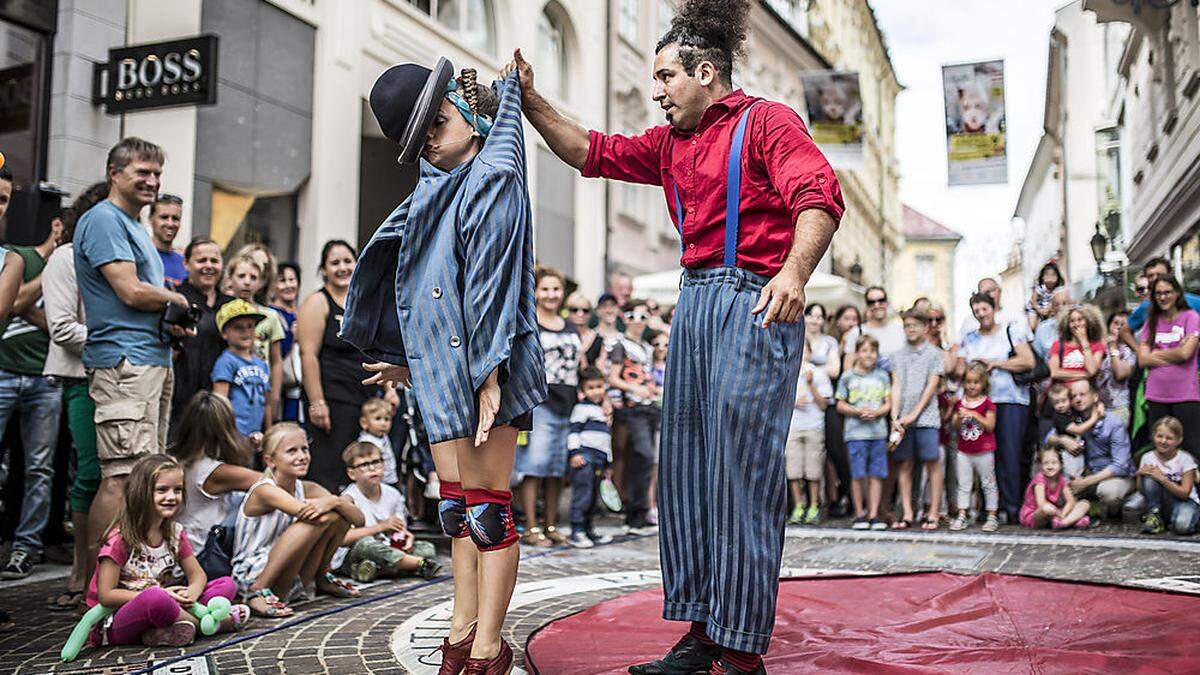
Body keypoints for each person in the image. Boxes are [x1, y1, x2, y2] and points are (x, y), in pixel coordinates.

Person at [506, 0, 846, 664]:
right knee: (688, 471)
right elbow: (591, 152)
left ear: (707, 72)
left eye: (666, 77)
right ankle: (700, 630)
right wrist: (531, 103)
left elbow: (819, 195)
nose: (656, 92)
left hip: (755, 300)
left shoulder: (768, 122)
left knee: (740, 474)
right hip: (693, 304)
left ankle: (741, 648)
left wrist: (794, 273)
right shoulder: (669, 144)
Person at [341, 63, 546, 673]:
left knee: (487, 507)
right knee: (457, 508)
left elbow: (490, 286)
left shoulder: (493, 176)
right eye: (418, 134)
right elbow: (429, 285)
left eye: (437, 120)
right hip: (444, 369)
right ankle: (461, 631)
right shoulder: (436, 188)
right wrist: (412, 362)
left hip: (494, 361)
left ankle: (488, 646)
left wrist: (488, 373)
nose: (430, 137)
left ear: (463, 104)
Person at [74, 138, 192, 587]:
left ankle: (132, 582)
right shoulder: (103, 220)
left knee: (144, 474)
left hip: (150, 357)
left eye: (157, 173)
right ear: (115, 172)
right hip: (124, 363)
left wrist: (172, 321)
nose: (152, 180)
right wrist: (175, 297)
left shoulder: (131, 225)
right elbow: (129, 290)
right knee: (121, 476)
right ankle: (97, 588)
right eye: (142, 171)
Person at [86, 454, 247, 648]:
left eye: (177, 490)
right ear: (141, 493)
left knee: (226, 584)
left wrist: (191, 593)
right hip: (119, 622)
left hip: (167, 604)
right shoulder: (120, 539)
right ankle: (215, 624)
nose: (171, 497)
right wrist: (165, 595)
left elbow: (197, 575)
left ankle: (165, 632)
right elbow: (106, 595)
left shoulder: (174, 533)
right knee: (156, 598)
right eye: (162, 490)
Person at [41, 182, 112, 606]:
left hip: (117, 373)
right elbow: (63, 329)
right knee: (90, 474)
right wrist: (122, 337)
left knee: (115, 475)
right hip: (81, 377)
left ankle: (110, 570)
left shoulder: (111, 258)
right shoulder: (66, 258)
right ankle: (80, 573)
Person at [232, 423, 364, 618]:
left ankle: (322, 576)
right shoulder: (265, 490)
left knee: (337, 517)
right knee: (323, 517)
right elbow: (309, 513)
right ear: (270, 460)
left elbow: (358, 520)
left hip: (290, 571)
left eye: (304, 449)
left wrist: (335, 500)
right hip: (252, 571)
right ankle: (257, 590)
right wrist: (338, 502)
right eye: (291, 451)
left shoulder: (307, 488)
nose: (302, 457)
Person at [0, 209, 64, 581]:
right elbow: (12, 303)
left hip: (46, 378)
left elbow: (57, 320)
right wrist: (46, 272)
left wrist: (28, 306)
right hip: (5, 372)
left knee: (40, 467)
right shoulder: (16, 257)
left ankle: (26, 547)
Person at [297, 240, 379, 491]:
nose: (342, 268)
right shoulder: (317, 302)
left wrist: (387, 391)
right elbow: (307, 355)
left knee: (362, 469)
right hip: (331, 401)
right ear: (323, 269)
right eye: (334, 263)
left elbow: (377, 350)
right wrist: (317, 401)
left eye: (347, 261)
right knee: (329, 470)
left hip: (364, 401)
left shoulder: (364, 300)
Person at [516, 266, 580, 547]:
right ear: (536, 292)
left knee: (557, 468)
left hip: (568, 402)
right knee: (535, 465)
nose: (551, 294)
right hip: (540, 401)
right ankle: (531, 527)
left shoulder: (570, 326)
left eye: (556, 289)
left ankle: (551, 524)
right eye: (545, 289)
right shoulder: (530, 322)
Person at [957, 292, 1034, 524]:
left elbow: (1028, 361)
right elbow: (961, 367)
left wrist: (996, 364)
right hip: (979, 402)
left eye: (984, 309)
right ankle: (986, 508)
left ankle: (1011, 507)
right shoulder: (970, 338)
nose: (981, 314)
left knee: (1009, 455)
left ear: (993, 308)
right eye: (976, 311)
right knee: (981, 454)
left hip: (1010, 400)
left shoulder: (1011, 330)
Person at [332, 441, 441, 582]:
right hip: (356, 551)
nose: (372, 468)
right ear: (352, 473)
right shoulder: (348, 498)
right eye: (364, 465)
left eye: (376, 462)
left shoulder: (393, 494)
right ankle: (418, 564)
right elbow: (343, 539)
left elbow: (400, 530)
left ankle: (373, 569)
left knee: (427, 548)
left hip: (388, 547)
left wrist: (408, 538)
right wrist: (381, 527)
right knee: (366, 544)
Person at [168, 391, 259, 553]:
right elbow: (271, 482)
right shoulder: (213, 472)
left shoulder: (174, 457)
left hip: (180, 547)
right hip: (201, 554)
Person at [607, 299, 661, 535]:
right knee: (642, 456)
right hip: (632, 409)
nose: (637, 321)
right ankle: (634, 513)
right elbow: (613, 377)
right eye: (632, 316)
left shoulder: (648, 347)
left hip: (649, 407)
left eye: (643, 316)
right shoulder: (621, 345)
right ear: (624, 317)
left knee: (644, 459)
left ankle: (638, 513)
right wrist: (634, 389)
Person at [889, 309, 944, 530]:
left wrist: (914, 414)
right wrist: (895, 416)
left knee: (932, 463)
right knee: (905, 464)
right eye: (907, 326)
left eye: (914, 325)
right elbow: (896, 385)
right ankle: (908, 513)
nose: (910, 330)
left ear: (925, 327)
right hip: (902, 418)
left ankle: (933, 512)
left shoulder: (935, 354)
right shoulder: (897, 355)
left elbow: (931, 387)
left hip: (927, 417)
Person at [1046, 380, 1133, 518]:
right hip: (1084, 472)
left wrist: (1085, 482)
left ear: (1095, 397)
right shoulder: (1073, 417)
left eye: (1082, 394)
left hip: (1111, 476)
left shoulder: (1113, 422)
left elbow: (1120, 465)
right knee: (1058, 495)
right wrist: (1063, 439)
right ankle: (1086, 507)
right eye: (1074, 396)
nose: (1078, 399)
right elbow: (1048, 438)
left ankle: (1113, 511)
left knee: (1110, 493)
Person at [171, 237, 232, 433]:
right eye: (201, 260)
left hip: (221, 401)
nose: (209, 266)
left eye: (214, 261)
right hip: (181, 401)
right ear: (186, 264)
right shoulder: (176, 298)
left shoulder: (231, 305)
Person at [1137, 274, 1200, 456]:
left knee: (1192, 449)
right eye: (1158, 293)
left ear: (1177, 293)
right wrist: (1175, 353)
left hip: (1186, 395)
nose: (1163, 297)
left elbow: (1186, 353)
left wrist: (1155, 353)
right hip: (1157, 395)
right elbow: (1142, 360)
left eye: (1167, 292)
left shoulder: (1191, 317)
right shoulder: (1152, 320)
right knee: (1161, 450)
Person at [836, 336, 891, 531]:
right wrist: (857, 411)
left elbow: (888, 403)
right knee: (858, 474)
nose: (869, 355)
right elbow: (840, 403)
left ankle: (873, 513)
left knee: (876, 474)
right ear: (857, 353)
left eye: (873, 351)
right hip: (855, 434)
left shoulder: (882, 376)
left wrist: (877, 412)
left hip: (877, 433)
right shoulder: (848, 377)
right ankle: (859, 513)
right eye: (865, 350)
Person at [224, 255, 285, 431]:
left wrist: (274, 396)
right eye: (241, 276)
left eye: (253, 278)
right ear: (230, 279)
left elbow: (276, 360)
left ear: (261, 282)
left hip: (260, 386)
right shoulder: (223, 313)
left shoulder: (270, 317)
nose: (247, 282)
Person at [566, 367, 614, 549]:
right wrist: (575, 453)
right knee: (582, 495)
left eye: (599, 386)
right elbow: (573, 432)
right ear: (582, 391)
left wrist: (609, 462)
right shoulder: (581, 408)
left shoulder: (603, 411)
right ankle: (576, 531)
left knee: (593, 496)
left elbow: (606, 440)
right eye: (591, 388)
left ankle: (588, 529)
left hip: (600, 460)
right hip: (584, 458)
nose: (596, 391)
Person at [786, 336, 832, 525]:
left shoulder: (819, 374)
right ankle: (798, 506)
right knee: (793, 470)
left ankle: (813, 505)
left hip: (813, 426)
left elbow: (824, 405)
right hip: (793, 426)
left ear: (810, 353)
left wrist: (811, 384)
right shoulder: (786, 372)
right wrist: (793, 402)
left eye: (805, 350)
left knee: (813, 469)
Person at [211, 300, 271, 442]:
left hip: (256, 437)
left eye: (250, 326)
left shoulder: (262, 364)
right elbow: (220, 404)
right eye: (238, 328)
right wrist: (227, 435)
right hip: (233, 436)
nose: (246, 332)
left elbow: (267, 403)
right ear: (224, 333)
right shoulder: (226, 362)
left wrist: (268, 435)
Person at [949, 362, 999, 532]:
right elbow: (954, 426)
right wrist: (958, 416)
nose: (972, 386)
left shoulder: (988, 404)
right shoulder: (960, 403)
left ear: (983, 384)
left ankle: (992, 515)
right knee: (964, 483)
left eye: (976, 382)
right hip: (964, 450)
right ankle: (963, 513)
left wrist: (974, 415)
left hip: (984, 450)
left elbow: (990, 426)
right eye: (968, 382)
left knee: (988, 483)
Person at [1137, 416, 1200, 535]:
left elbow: (1185, 493)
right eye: (1159, 436)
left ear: (1179, 440)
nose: (1163, 441)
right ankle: (1154, 515)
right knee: (1150, 478)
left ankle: (1187, 518)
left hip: (1185, 501)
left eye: (1169, 438)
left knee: (1182, 527)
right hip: (1161, 501)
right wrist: (1139, 476)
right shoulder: (1147, 457)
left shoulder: (1185, 459)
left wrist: (1162, 478)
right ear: (1153, 436)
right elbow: (1142, 490)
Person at [1019, 447, 1091, 530]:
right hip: (1036, 513)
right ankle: (1073, 520)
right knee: (1046, 509)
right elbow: (1041, 503)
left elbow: (1070, 501)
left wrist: (1063, 514)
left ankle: (1063, 522)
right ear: (1041, 466)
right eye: (1046, 463)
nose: (1050, 466)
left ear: (1061, 465)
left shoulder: (1061, 479)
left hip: (1056, 512)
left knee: (1084, 504)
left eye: (1054, 463)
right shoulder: (1040, 478)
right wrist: (1058, 513)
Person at [1125, 257, 1200, 335]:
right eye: (1150, 276)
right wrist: (1139, 347)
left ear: (1170, 273)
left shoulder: (1196, 302)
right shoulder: (1146, 306)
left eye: (1160, 274)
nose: (1155, 278)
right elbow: (1125, 331)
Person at [271, 262, 302, 421]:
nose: (288, 285)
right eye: (282, 280)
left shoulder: (304, 311)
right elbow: (274, 354)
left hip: (302, 390)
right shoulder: (271, 313)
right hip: (282, 389)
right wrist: (292, 337)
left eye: (292, 279)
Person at [1047, 303, 1105, 384]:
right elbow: (1054, 372)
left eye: (1080, 320)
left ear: (1088, 322)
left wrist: (1084, 341)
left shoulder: (1097, 346)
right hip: (1063, 393)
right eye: (1072, 321)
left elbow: (1092, 370)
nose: (1076, 324)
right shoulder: (1058, 345)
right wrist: (1085, 375)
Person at [851, 286, 905, 371]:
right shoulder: (856, 332)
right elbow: (848, 368)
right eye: (871, 302)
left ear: (887, 302)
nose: (877, 305)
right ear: (867, 306)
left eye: (881, 300)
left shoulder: (901, 329)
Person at [1098, 311, 1136, 426]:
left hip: (1118, 407)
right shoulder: (1100, 347)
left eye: (1123, 324)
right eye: (1115, 323)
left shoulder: (1130, 350)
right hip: (1097, 405)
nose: (1118, 327)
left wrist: (1113, 347)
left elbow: (1120, 374)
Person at [358, 398, 399, 486]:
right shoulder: (366, 441)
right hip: (377, 483)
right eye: (378, 419)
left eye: (387, 419)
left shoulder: (383, 436)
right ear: (364, 423)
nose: (383, 423)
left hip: (390, 479)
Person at [148, 194, 185, 287]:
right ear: (150, 219)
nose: (170, 223)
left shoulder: (186, 263)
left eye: (175, 219)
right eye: (164, 217)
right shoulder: (139, 255)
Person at [1026, 261, 1065, 331]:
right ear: (1043, 277)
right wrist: (1039, 310)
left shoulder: (1057, 290)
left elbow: (1052, 302)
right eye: (1047, 275)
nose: (1050, 278)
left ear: (1058, 277)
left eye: (1053, 275)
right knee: (1033, 326)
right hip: (1035, 308)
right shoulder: (1040, 288)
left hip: (1047, 308)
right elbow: (1033, 301)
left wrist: (1047, 310)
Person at [565, 291, 600, 367]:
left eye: (585, 310)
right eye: (575, 310)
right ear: (568, 312)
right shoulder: (561, 336)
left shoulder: (599, 339)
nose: (580, 314)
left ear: (591, 313)